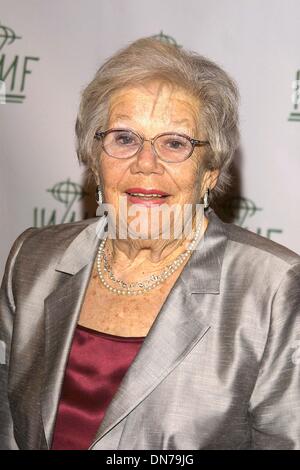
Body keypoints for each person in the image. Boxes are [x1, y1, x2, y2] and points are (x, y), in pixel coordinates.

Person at [0, 37, 300, 451]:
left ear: (210, 170)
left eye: (175, 143)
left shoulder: (272, 287)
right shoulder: (33, 260)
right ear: (94, 155)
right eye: (124, 138)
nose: (145, 162)